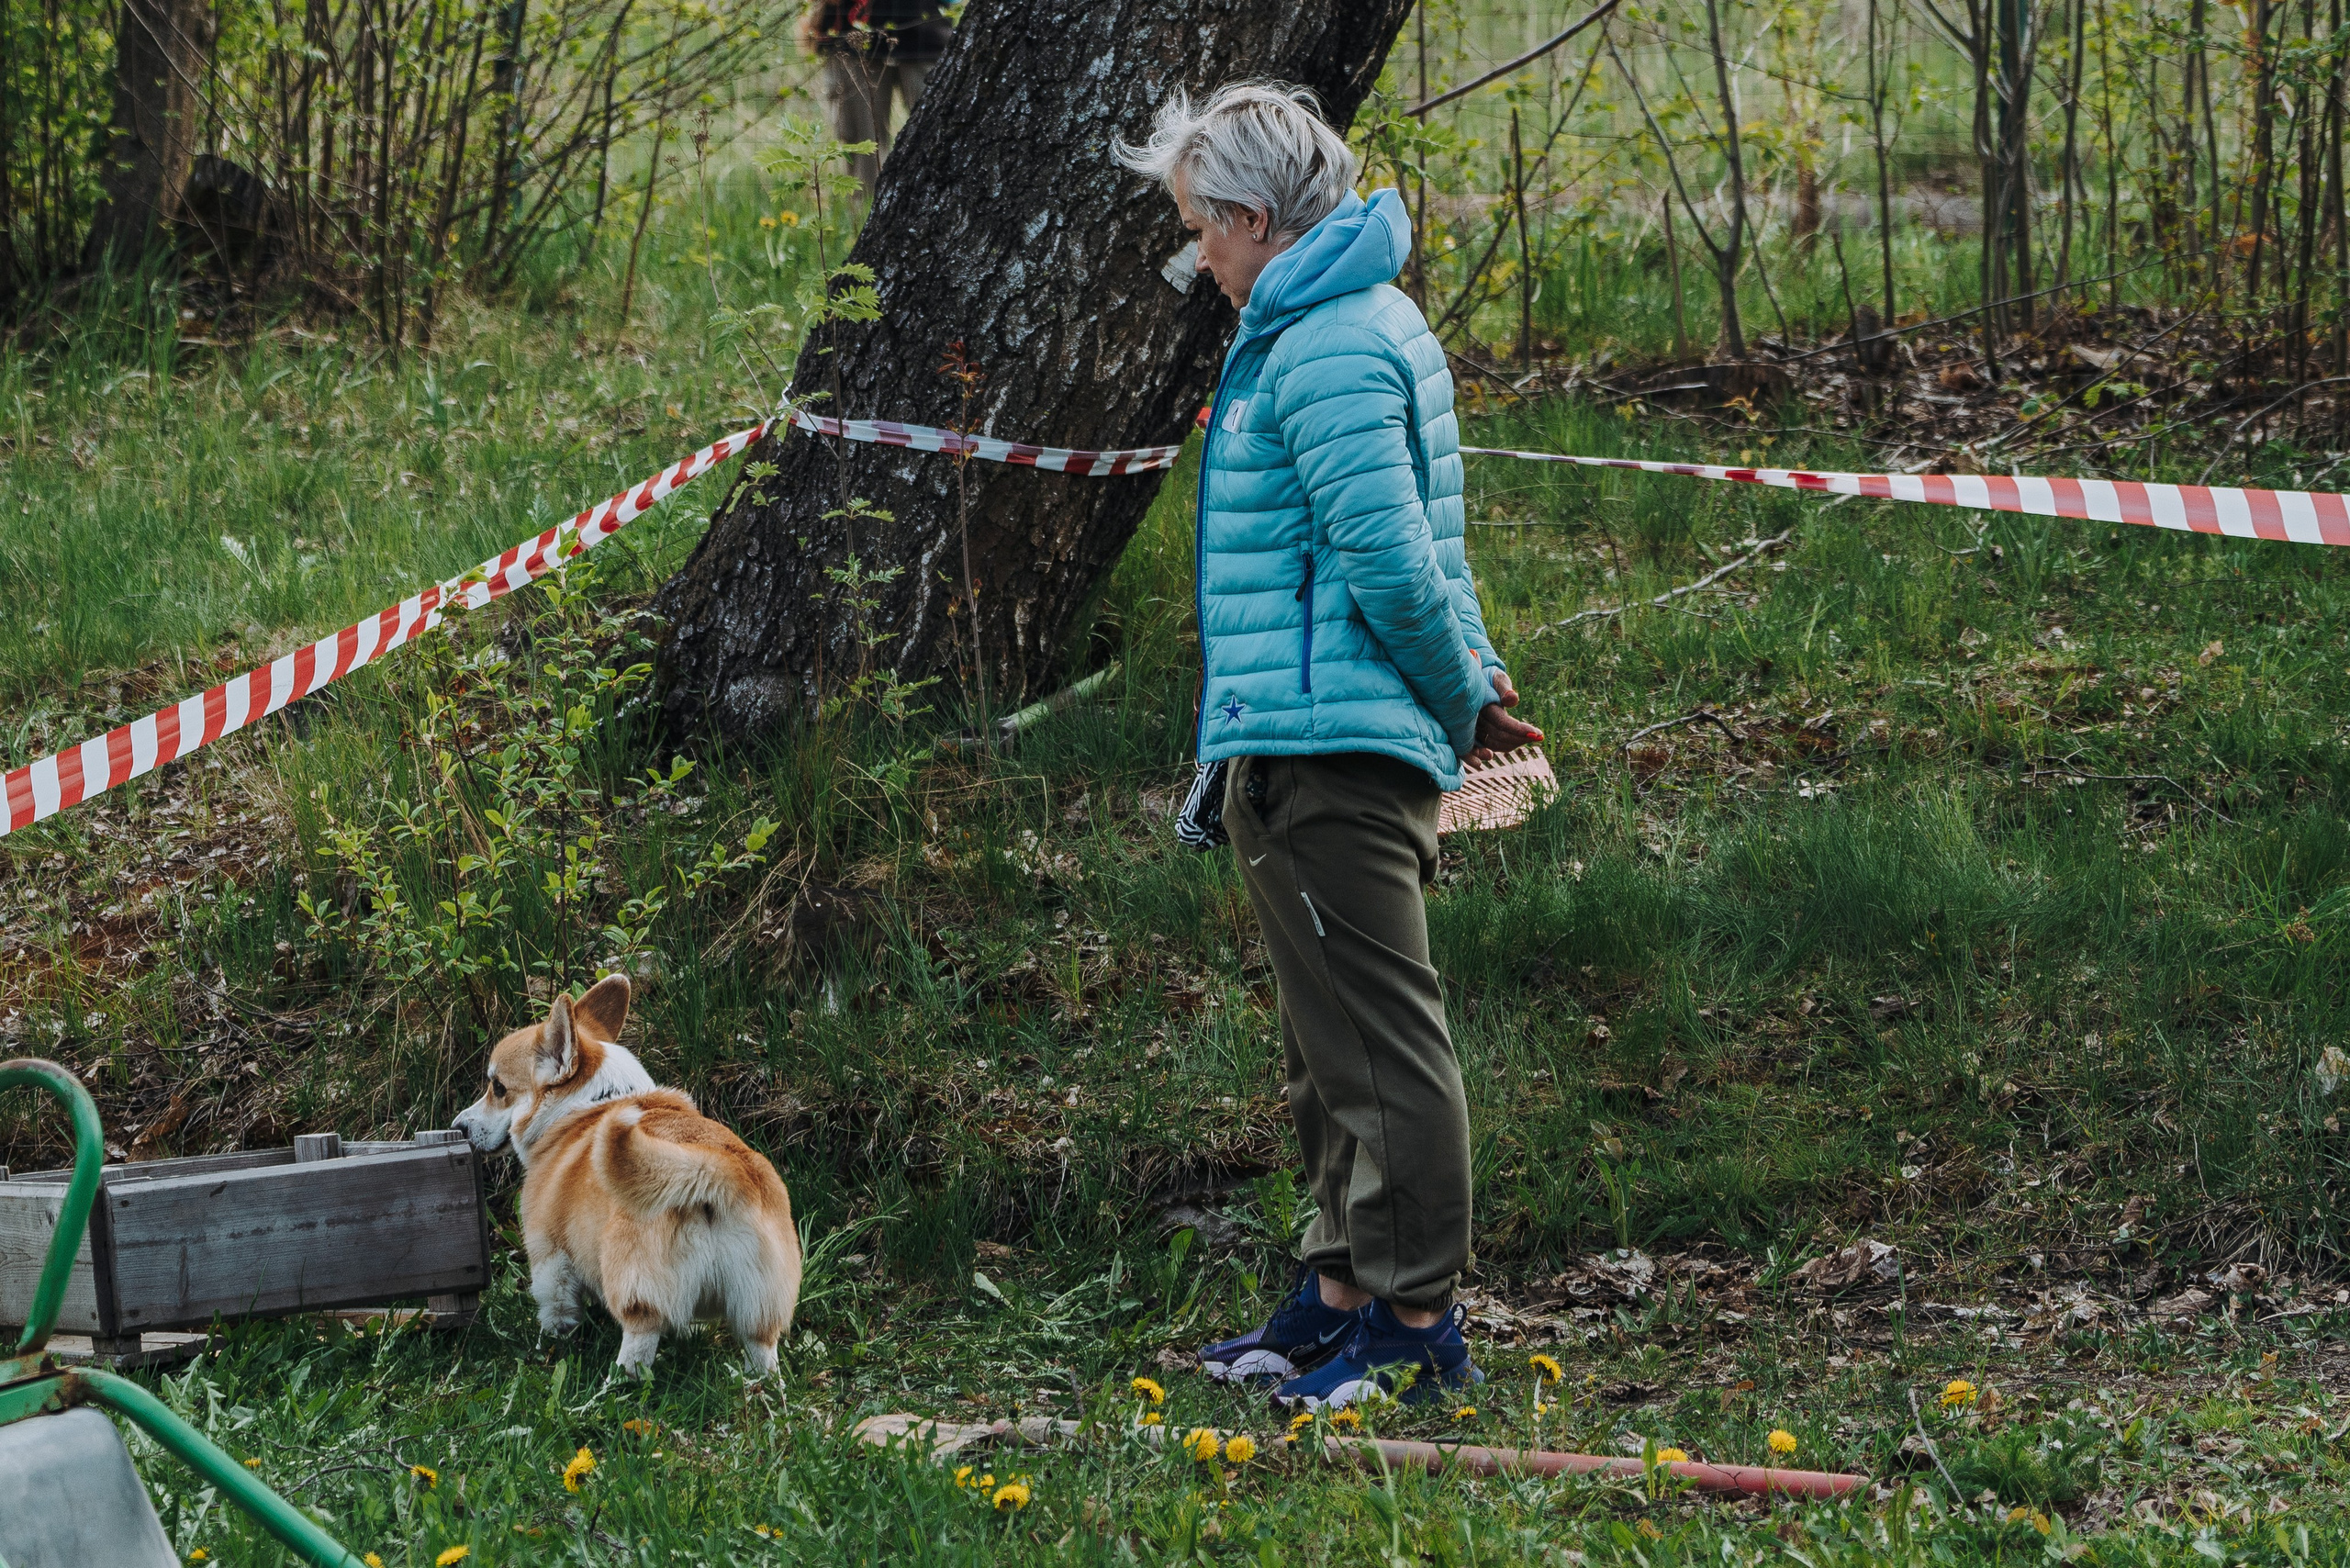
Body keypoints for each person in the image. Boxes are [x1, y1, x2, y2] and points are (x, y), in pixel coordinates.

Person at [1116, 82, 1541, 1411]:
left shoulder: (1330, 348)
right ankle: (1339, 1294)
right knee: (1326, 1045)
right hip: (1289, 736)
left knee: (1380, 1044)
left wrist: (1461, 694)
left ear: (1251, 217)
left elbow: (1398, 562)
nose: (1196, 258)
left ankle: (1417, 1326)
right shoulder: (1315, 327)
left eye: (1200, 230)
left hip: (1332, 746)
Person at [799, 0, 954, 198]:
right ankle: (864, 224)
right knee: (862, 152)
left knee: (940, 139)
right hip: (850, 38)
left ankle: (939, 219)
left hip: (926, 31)